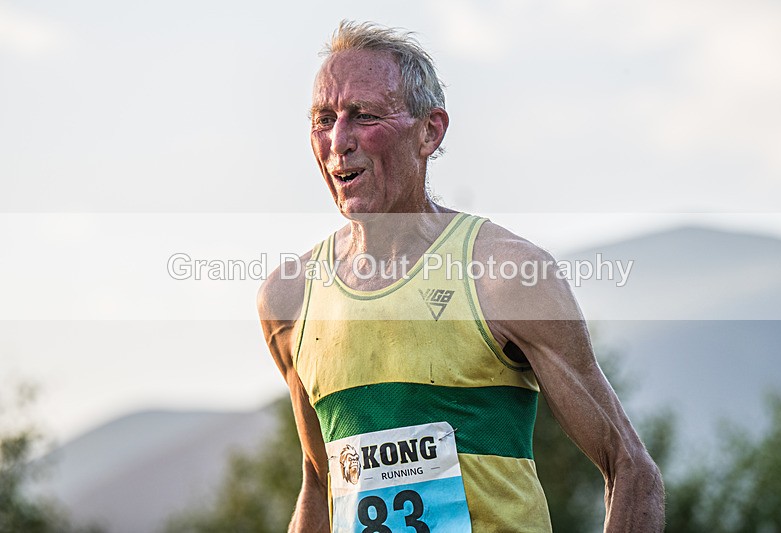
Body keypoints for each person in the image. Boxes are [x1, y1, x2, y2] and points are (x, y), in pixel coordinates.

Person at [259, 20, 665, 532]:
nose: (339, 140)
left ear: (430, 131)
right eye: (323, 119)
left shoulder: (506, 275)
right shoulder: (290, 300)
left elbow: (632, 470)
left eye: (365, 116)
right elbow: (319, 483)